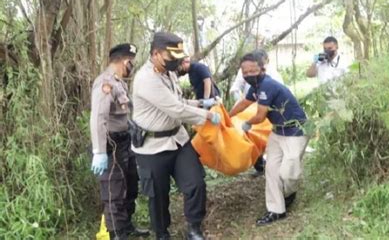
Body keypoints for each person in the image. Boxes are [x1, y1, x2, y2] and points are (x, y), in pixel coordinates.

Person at [132, 31, 221, 240]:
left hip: (178, 140)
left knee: (196, 182)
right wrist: (207, 115)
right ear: (155, 54)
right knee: (158, 195)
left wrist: (200, 103)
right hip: (152, 147)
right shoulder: (146, 79)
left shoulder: (169, 73)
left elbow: (179, 101)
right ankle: (162, 234)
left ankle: (194, 228)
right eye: (171, 57)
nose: (177, 62)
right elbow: (175, 109)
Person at [229, 52, 308, 226]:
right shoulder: (255, 88)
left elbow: (260, 115)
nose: (248, 74)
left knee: (289, 174)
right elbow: (244, 103)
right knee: (271, 170)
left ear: (262, 68)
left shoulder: (268, 85)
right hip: (278, 131)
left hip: (296, 132)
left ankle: (288, 193)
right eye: (245, 71)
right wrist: (228, 116)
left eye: (252, 70)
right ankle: (276, 210)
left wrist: (247, 123)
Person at [90, 44, 150, 240]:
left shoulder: (120, 83)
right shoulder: (105, 83)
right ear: (126, 61)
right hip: (111, 145)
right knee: (114, 193)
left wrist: (131, 125)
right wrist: (99, 151)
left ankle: (126, 226)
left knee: (130, 186)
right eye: (131, 62)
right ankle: (116, 234)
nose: (132, 66)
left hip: (125, 143)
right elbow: (98, 117)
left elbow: (121, 113)